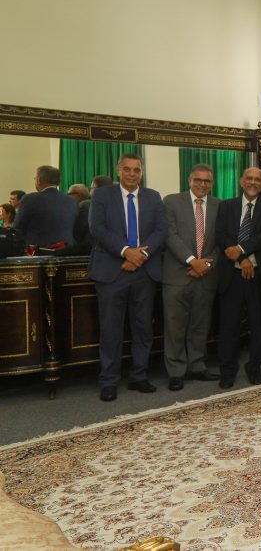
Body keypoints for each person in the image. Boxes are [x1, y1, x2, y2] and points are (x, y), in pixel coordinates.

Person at [88, 153, 167, 402]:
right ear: (118, 170)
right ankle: (109, 380)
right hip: (112, 271)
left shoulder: (153, 197)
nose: (132, 174)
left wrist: (140, 255)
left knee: (143, 327)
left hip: (144, 271)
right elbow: (97, 228)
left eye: (136, 170)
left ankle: (139, 376)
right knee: (111, 329)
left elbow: (161, 230)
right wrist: (126, 251)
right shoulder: (102, 195)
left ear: (141, 173)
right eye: (127, 169)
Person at [215, 166, 261, 389]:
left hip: (259, 274)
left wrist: (240, 250)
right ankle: (227, 371)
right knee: (229, 326)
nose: (253, 182)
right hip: (231, 274)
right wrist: (241, 260)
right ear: (242, 181)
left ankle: (254, 367)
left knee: (258, 324)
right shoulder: (227, 205)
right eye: (249, 178)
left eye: (258, 180)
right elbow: (221, 235)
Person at [161, 163, 221, 390]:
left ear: (212, 184)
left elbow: (221, 240)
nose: (202, 184)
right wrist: (191, 260)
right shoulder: (172, 202)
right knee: (175, 326)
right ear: (189, 180)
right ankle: (176, 371)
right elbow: (170, 235)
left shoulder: (219, 205)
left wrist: (206, 263)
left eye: (207, 181)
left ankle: (197, 365)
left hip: (206, 275)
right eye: (198, 180)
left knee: (200, 324)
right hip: (177, 275)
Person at [13, 165, 78, 249]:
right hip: (66, 251)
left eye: (35, 178)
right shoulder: (72, 200)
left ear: (39, 180)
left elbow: (17, 229)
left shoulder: (30, 199)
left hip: (37, 253)